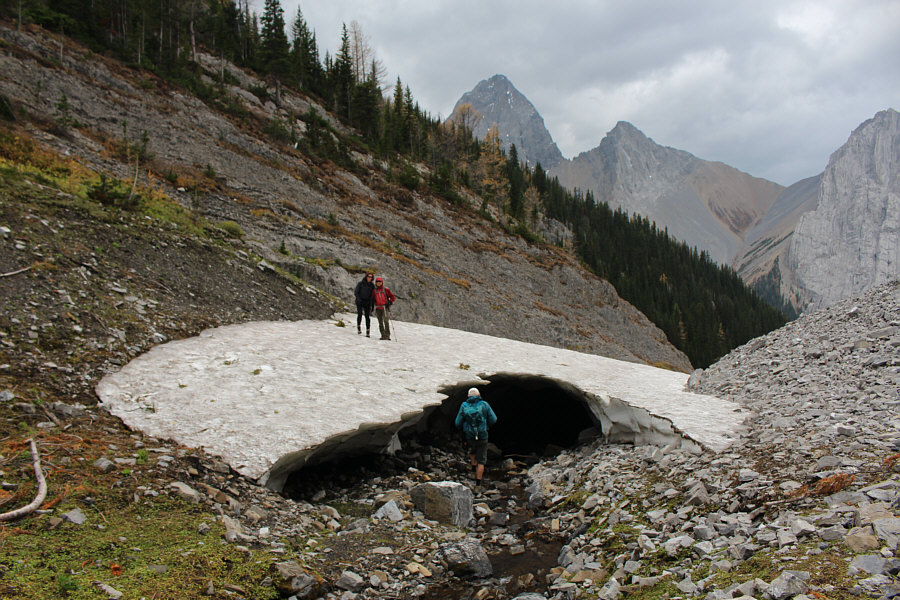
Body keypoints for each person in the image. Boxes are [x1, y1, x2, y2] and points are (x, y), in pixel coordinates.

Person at [455, 387, 497, 487]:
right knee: (482, 460)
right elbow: (493, 419)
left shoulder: (464, 405)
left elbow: (457, 422)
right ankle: (478, 484)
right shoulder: (484, 404)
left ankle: (473, 468)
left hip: (470, 435)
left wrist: (464, 428)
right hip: (482, 435)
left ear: (468, 396)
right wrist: (486, 426)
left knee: (473, 450)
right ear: (479, 394)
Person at [372, 276, 396, 340]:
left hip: (385, 308)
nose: (378, 283)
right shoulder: (374, 291)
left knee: (386, 321)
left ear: (382, 282)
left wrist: (389, 302)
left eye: (380, 281)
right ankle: (383, 335)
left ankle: (387, 335)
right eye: (377, 281)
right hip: (378, 308)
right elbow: (373, 299)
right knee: (380, 322)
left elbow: (393, 297)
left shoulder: (385, 290)